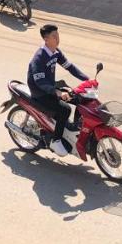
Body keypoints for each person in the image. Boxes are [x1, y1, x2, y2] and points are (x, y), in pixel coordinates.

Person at [27, 23, 87, 158]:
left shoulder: (55, 52)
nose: (57, 38)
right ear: (46, 39)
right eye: (54, 36)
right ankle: (56, 140)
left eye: (58, 35)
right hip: (40, 93)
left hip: (50, 87)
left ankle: (74, 128)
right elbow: (40, 83)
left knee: (79, 98)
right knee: (65, 110)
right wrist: (58, 93)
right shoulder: (39, 58)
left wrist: (87, 80)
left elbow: (69, 66)